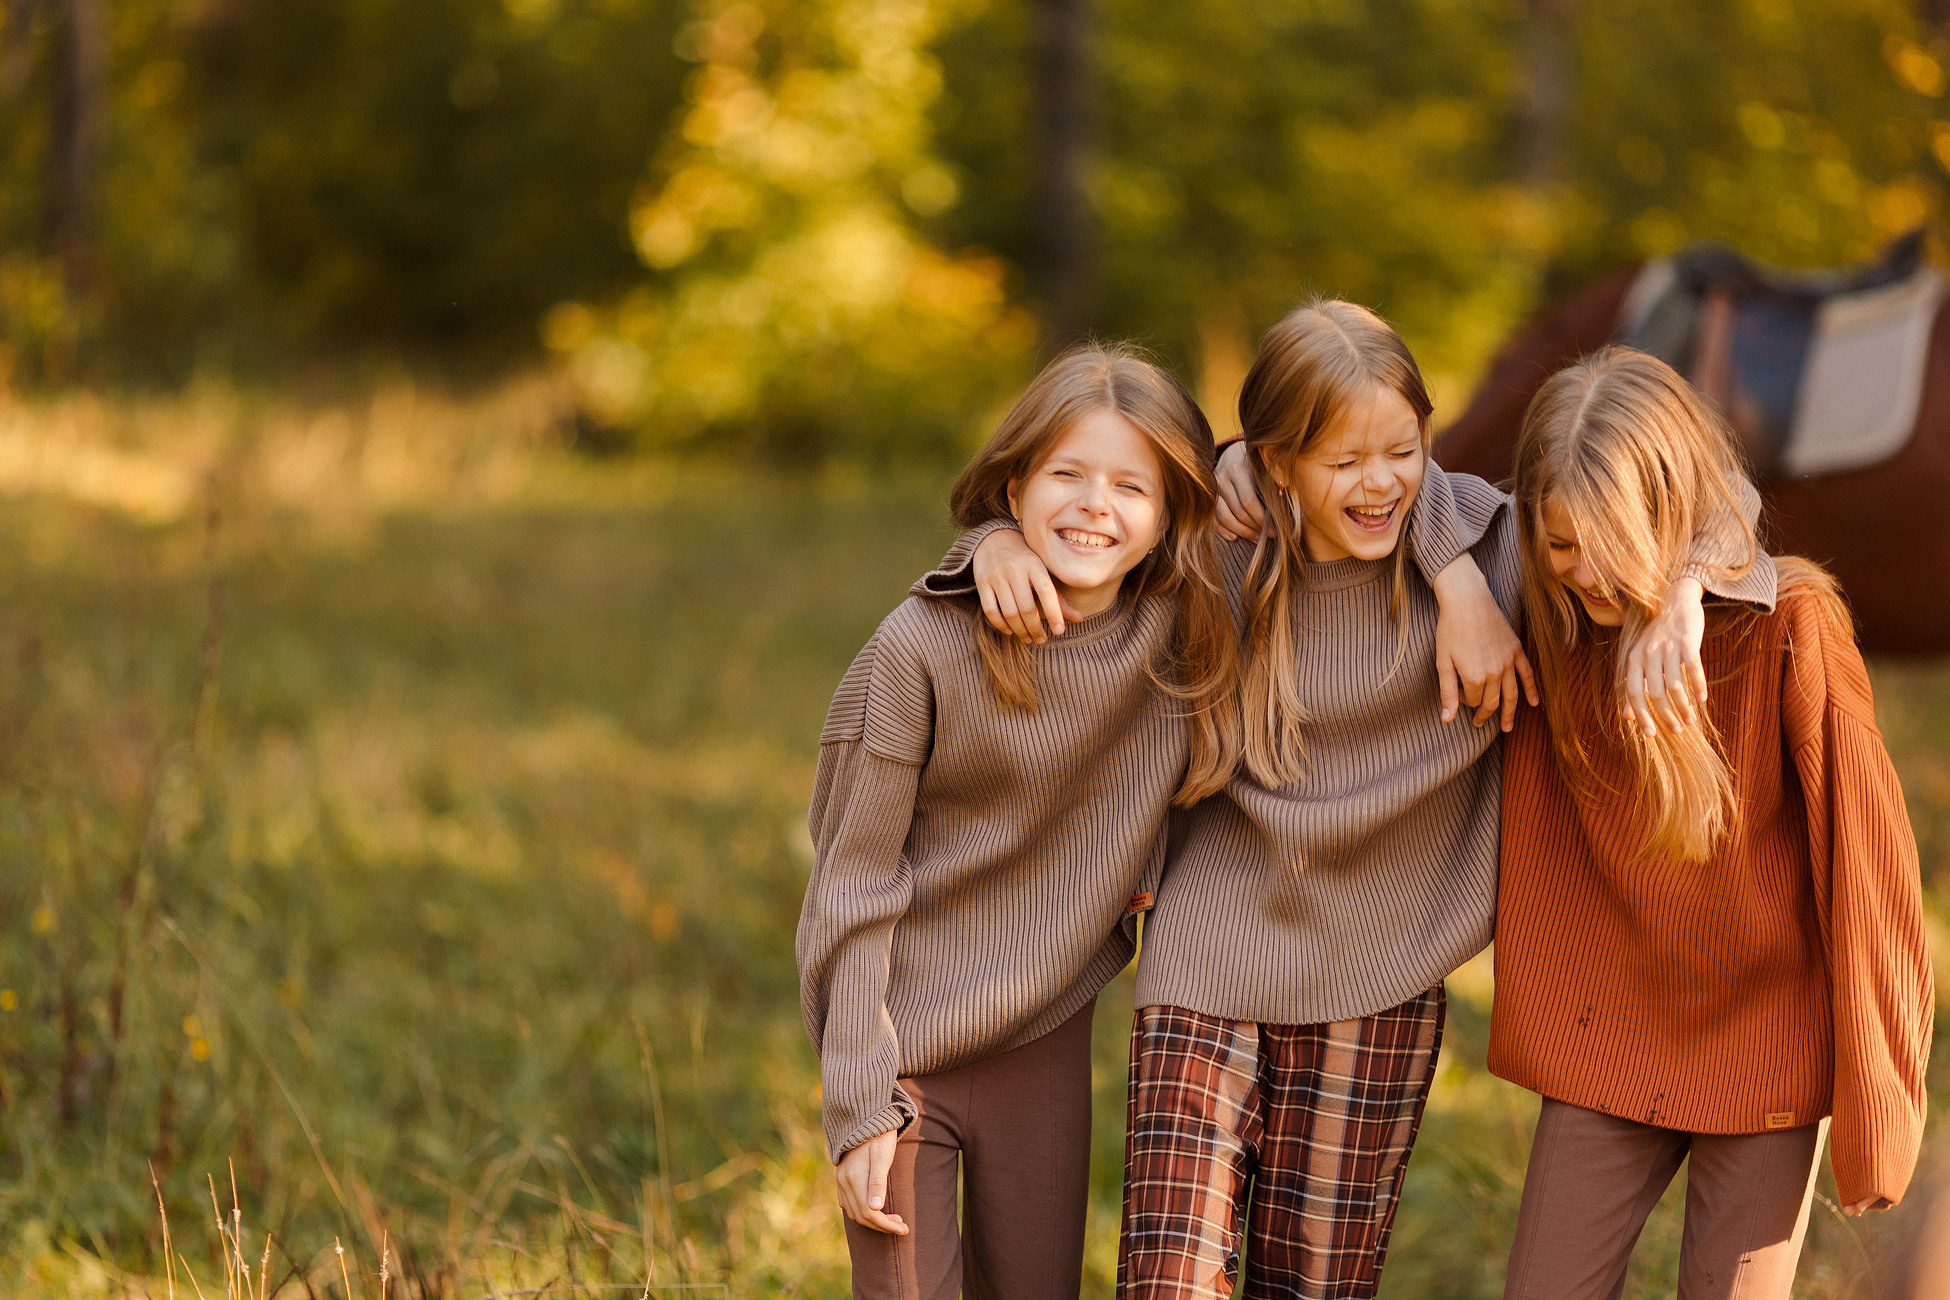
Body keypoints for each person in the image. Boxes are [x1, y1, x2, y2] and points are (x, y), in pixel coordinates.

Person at [970, 300, 1750, 1297]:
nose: (1379, 482)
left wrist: (1666, 589)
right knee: (1168, 1280)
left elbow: (1708, 504)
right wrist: (994, 543)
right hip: (1206, 960)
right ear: (1278, 462)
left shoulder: (1505, 551)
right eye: (1342, 461)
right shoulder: (1225, 548)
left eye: (1404, 450)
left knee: (1314, 1286)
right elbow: (1084, 522)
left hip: (1381, 979)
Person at [796, 344, 1243, 1300]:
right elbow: (850, 884)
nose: (1095, 505)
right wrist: (858, 1101)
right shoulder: (918, 648)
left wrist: (1458, 578)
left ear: (1171, 513)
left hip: (1044, 1032)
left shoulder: (1183, 625)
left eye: (1132, 485)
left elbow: (1329, 498)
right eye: (1067, 475)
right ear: (1016, 483)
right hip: (900, 1044)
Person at [1489, 346, 1934, 1300]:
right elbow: (1366, 487)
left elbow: (1872, 870)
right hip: (1607, 1022)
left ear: (1667, 513)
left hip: (1766, 1041)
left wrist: (1878, 1108)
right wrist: (1240, 464)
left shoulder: (1791, 628)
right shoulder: (1544, 611)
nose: (1585, 574)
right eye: (1560, 545)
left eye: (1610, 541)